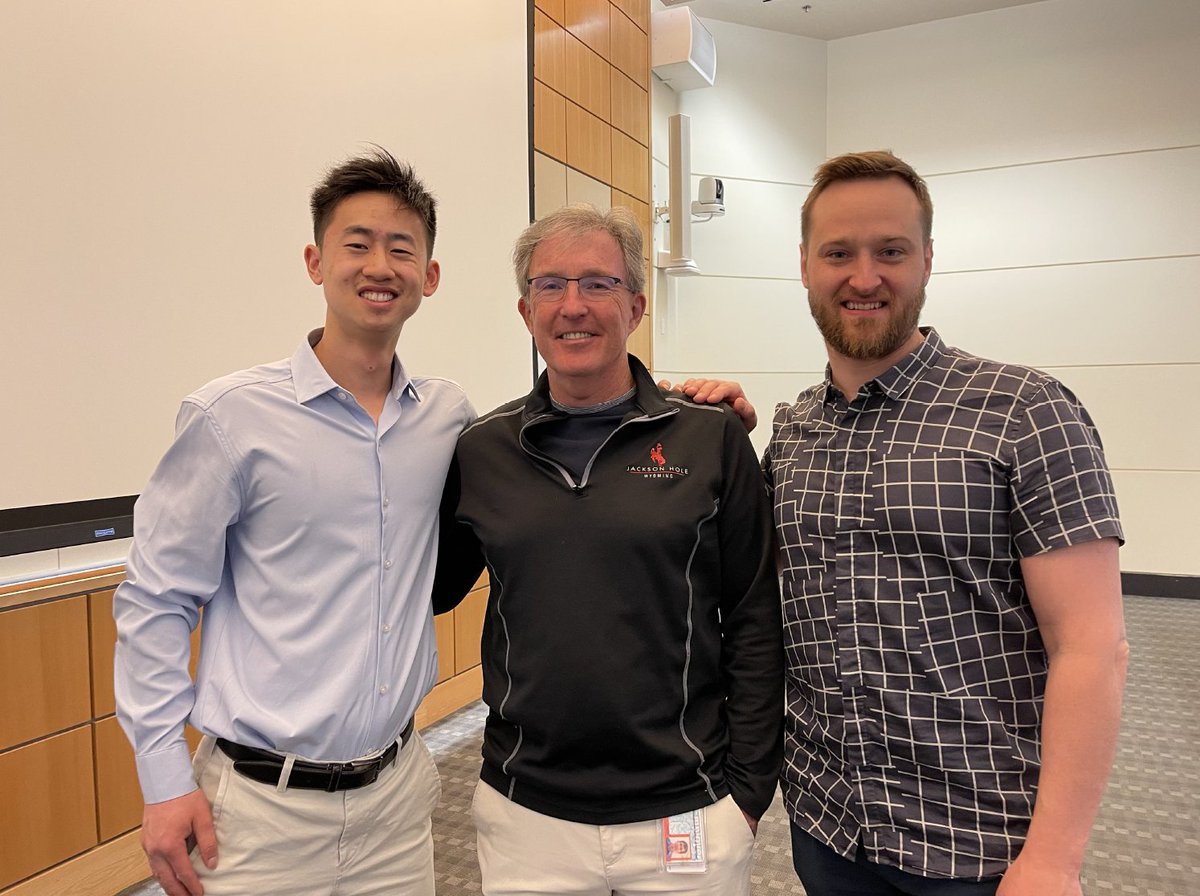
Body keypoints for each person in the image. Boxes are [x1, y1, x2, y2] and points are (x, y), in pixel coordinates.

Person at [673, 150, 1127, 895]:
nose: (863, 276)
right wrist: (711, 438)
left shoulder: (1026, 412)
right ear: (803, 265)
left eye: (890, 251)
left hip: (982, 844)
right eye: (838, 253)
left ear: (926, 260)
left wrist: (1054, 858)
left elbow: (1093, 647)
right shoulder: (790, 434)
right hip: (830, 828)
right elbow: (744, 587)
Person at [113, 149, 474, 896]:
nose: (380, 264)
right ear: (316, 262)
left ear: (429, 277)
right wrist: (161, 778)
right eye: (357, 243)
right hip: (256, 816)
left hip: (397, 804)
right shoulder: (230, 419)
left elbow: (550, 435)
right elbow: (156, 601)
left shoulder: (446, 419)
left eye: (402, 247)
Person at [433, 203, 784, 895]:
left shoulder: (709, 437)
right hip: (525, 812)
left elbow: (754, 619)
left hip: (688, 809)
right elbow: (429, 587)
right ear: (525, 309)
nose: (573, 307)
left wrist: (746, 793)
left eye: (598, 284)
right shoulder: (482, 450)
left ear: (637, 306)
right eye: (550, 285)